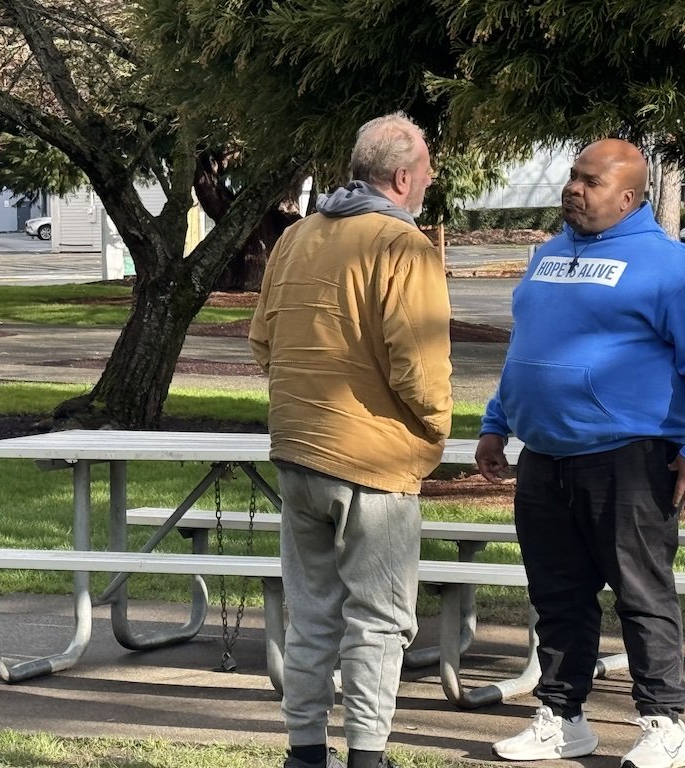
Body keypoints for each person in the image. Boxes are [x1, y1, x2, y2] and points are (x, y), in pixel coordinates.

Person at [475, 138, 685, 768]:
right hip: (545, 455)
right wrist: (497, 422)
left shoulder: (669, 265)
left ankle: (663, 723)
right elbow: (526, 349)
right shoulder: (546, 257)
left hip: (629, 456)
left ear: (628, 196)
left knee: (640, 594)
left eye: (590, 182)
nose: (574, 188)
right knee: (558, 595)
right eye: (573, 176)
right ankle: (563, 718)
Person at [249, 113, 453, 768]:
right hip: (377, 461)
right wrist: (436, 427)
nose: (429, 180)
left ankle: (305, 753)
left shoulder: (298, 237)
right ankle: (368, 755)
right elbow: (417, 364)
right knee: (379, 619)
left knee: (311, 614)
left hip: (298, 451)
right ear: (401, 176)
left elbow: (262, 342)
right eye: (426, 170)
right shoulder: (405, 246)